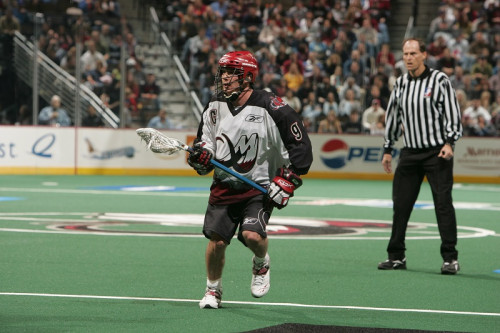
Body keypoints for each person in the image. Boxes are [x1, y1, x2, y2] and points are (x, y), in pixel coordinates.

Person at [187, 51, 313, 309]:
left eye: (230, 72)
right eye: (222, 71)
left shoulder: (271, 106)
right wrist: (201, 155)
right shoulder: (214, 104)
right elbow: (205, 142)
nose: (224, 77)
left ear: (247, 77)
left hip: (258, 188)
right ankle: (213, 290)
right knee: (217, 241)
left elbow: (300, 145)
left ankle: (261, 262)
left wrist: (289, 178)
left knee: (252, 236)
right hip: (224, 185)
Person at [378, 38, 463, 275]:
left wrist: (450, 141)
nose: (408, 58)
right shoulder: (401, 83)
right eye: (405, 53)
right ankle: (396, 256)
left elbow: (452, 113)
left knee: (443, 204)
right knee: (401, 206)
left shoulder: (440, 80)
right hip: (409, 153)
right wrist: (388, 148)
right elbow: (393, 116)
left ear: (424, 55)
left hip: (437, 153)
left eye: (413, 53)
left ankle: (450, 258)